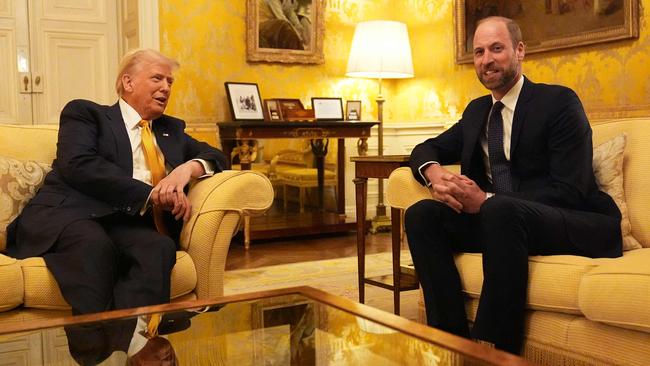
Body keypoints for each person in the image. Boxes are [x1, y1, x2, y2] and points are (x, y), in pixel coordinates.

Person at [405, 16, 622, 354]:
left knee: (499, 208)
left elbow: (571, 189)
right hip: (502, 223)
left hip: (571, 219)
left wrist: (486, 199)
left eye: (496, 48)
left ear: (520, 51)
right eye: (478, 52)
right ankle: (449, 342)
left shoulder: (559, 103)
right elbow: (425, 148)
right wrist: (435, 175)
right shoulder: (477, 111)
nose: (486, 59)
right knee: (422, 215)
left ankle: (495, 350)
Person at [6, 48, 226, 362]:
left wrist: (186, 170)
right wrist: (150, 195)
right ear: (127, 82)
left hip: (125, 222)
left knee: (158, 248)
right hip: (72, 212)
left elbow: (218, 156)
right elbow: (78, 165)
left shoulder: (171, 130)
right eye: (157, 78)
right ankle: (93, 352)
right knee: (93, 245)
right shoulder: (86, 114)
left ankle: (139, 345)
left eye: (170, 81)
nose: (166, 87)